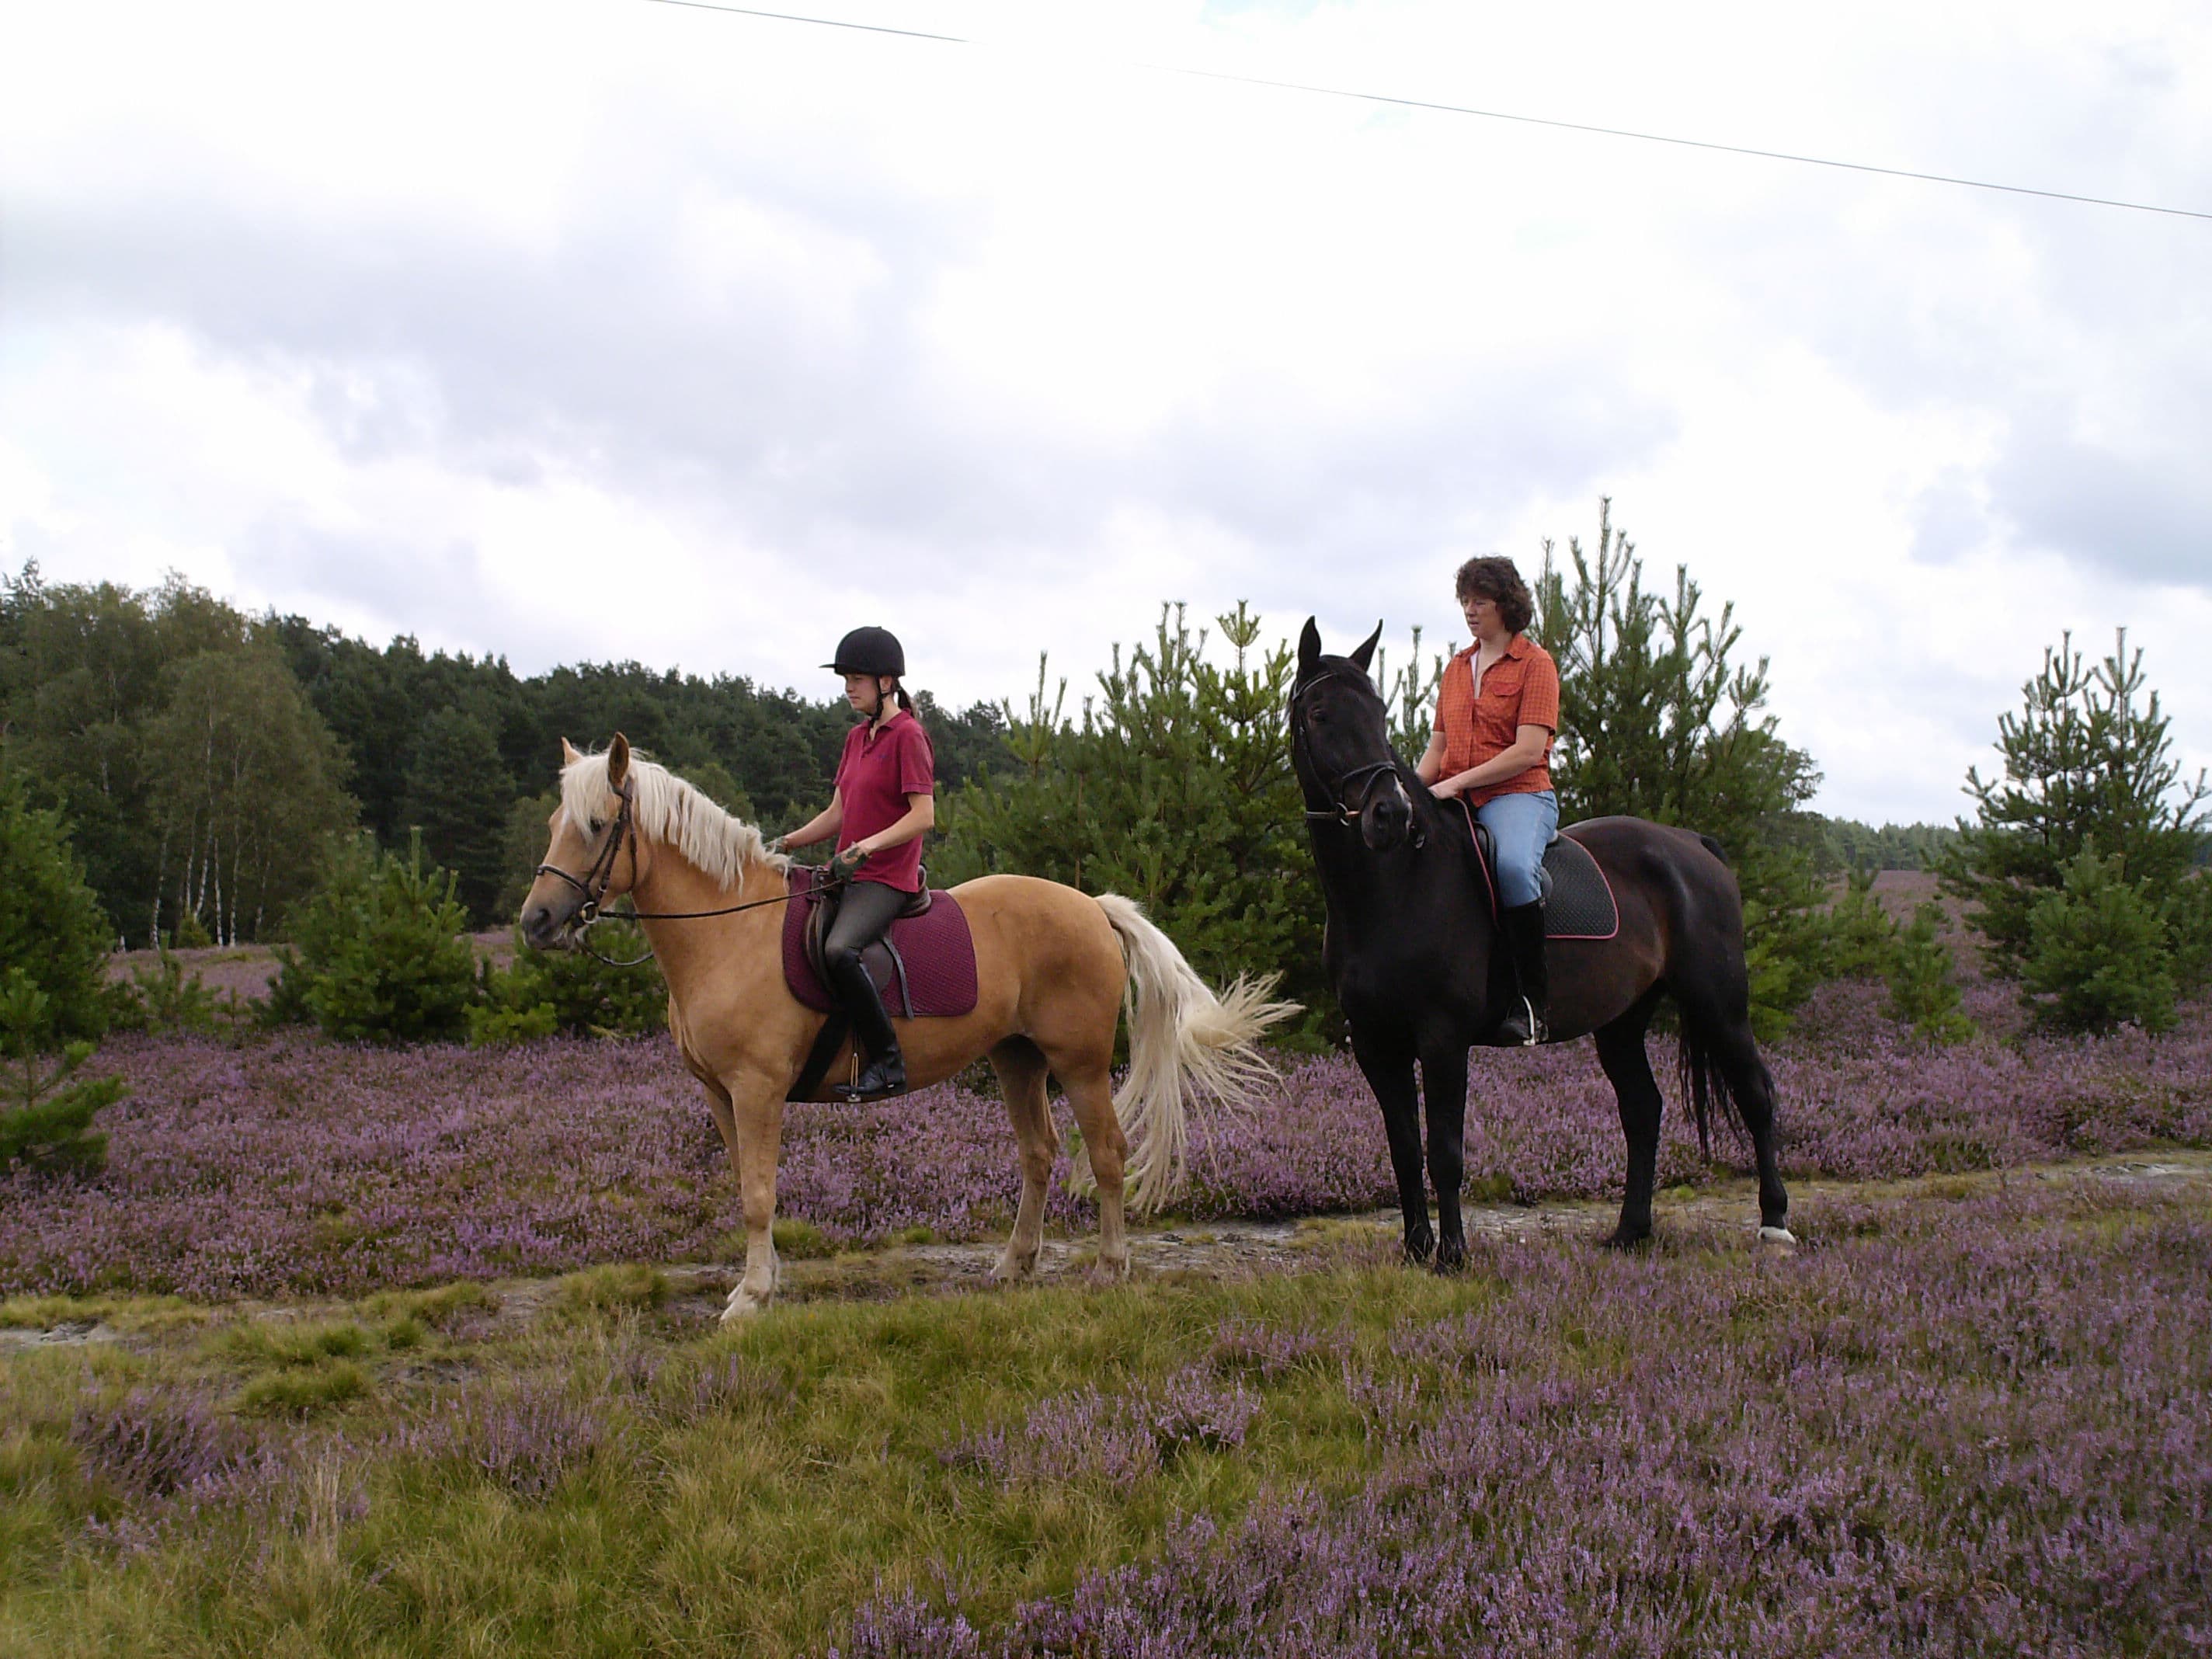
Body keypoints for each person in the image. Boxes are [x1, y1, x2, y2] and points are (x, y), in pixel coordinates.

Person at [777, 626, 936, 1099]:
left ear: (887, 683)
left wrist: (866, 847)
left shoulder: (909, 736)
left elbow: (923, 816)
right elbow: (837, 814)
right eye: (846, 678)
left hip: (887, 877)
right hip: (850, 872)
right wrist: (784, 842)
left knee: (838, 950)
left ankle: (888, 1062)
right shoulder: (855, 739)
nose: (849, 687)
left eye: (857, 678)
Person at [1415, 557, 1561, 1045]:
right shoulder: (1456, 669)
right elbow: (1438, 749)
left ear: (1506, 603)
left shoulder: (1535, 664)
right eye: (1464, 601)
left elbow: (1528, 750)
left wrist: (1456, 785)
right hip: (1454, 795)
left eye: (1480, 601)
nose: (1470, 611)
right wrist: (1412, 796)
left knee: (1515, 868)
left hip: (1518, 794)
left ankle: (1532, 1005)